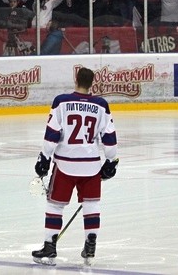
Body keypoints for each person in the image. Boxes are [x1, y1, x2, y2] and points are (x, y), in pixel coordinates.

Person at [32, 67, 118, 266]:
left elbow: (52, 132)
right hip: (91, 166)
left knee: (55, 205)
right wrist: (111, 161)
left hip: (65, 165)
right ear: (92, 83)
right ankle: (90, 246)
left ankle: (50, 247)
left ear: (75, 79)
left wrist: (44, 157)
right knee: (91, 205)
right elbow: (110, 139)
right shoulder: (101, 105)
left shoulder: (61, 102)